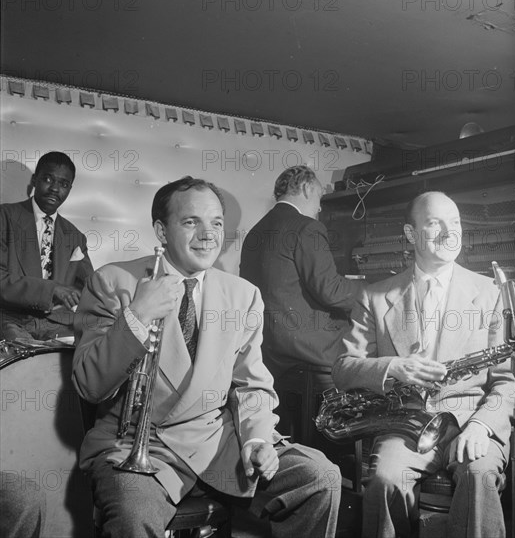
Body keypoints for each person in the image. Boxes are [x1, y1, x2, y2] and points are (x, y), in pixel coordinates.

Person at [72, 176, 341, 538]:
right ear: (161, 231)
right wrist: (137, 315)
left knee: (321, 476)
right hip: (141, 444)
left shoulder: (242, 295)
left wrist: (257, 439)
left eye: (216, 223)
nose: (208, 234)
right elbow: (90, 386)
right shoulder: (113, 281)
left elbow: (252, 387)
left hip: (218, 443)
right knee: (132, 511)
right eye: (190, 222)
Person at [332, 191, 515, 538]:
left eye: (456, 223)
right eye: (435, 224)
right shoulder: (374, 296)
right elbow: (342, 369)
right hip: (405, 423)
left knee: (479, 476)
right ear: (411, 234)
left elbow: (507, 380)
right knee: (385, 480)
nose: (450, 233)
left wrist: (482, 426)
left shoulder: (491, 293)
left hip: (471, 420)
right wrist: (393, 367)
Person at [239, 165, 363, 383]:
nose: (320, 208)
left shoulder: (254, 232)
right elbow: (331, 291)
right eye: (319, 197)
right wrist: (374, 290)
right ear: (306, 189)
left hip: (269, 353)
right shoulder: (307, 227)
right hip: (308, 351)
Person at [0, 151, 93, 341]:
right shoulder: (5, 217)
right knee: (23, 361)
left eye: (64, 184)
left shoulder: (75, 237)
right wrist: (52, 289)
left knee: (90, 353)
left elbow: (89, 287)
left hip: (58, 324)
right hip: (11, 319)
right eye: (48, 179)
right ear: (34, 180)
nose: (55, 189)